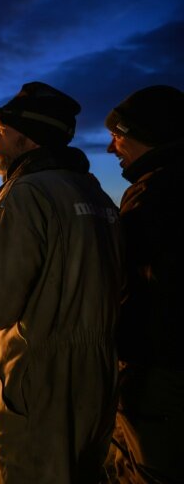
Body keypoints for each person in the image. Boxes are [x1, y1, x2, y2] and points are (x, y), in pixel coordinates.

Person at [0, 82, 123, 482]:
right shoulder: (96, 196)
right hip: (98, 381)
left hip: (40, 388)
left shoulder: (25, 195)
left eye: (0, 132)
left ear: (28, 137)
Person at [104, 85, 184, 483]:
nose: (110, 148)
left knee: (150, 468)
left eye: (117, 135)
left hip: (158, 371)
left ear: (147, 135)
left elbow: (126, 279)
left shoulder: (154, 195)